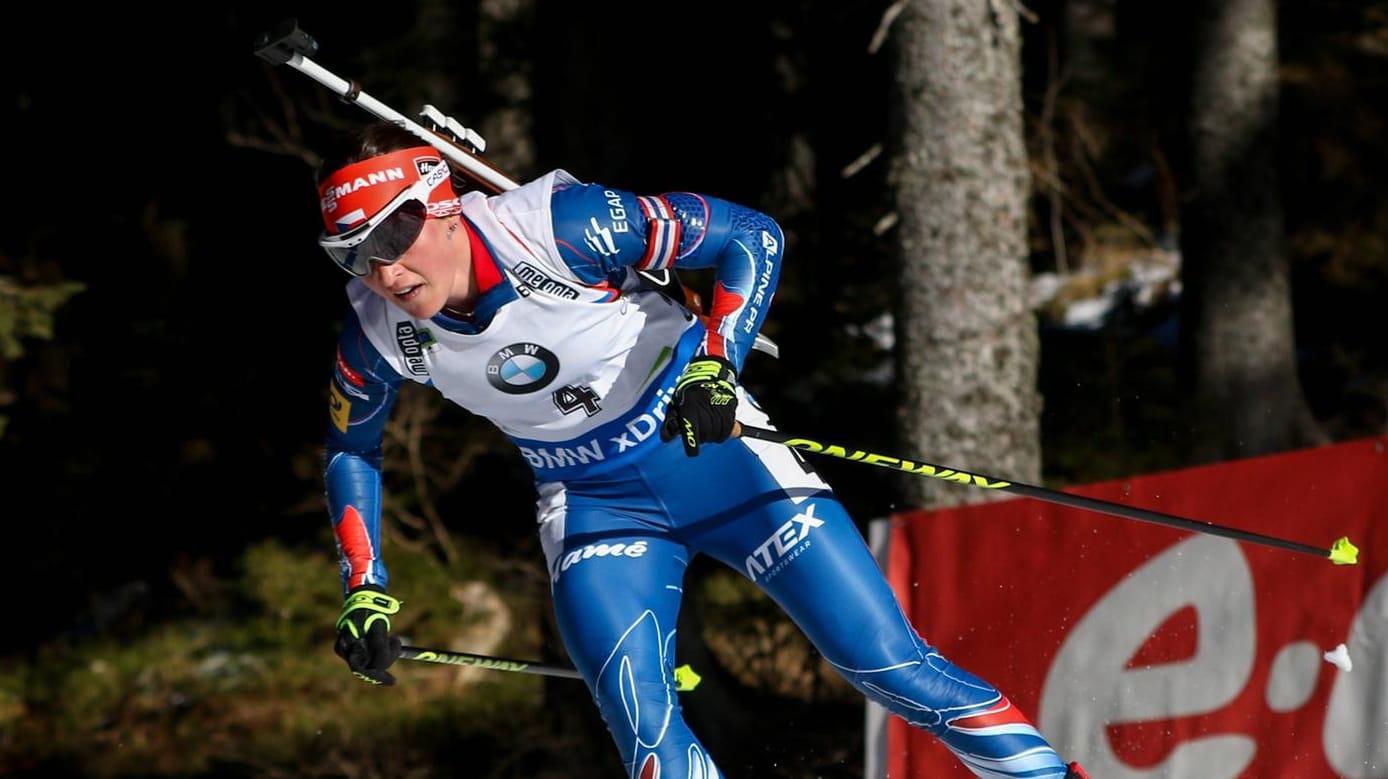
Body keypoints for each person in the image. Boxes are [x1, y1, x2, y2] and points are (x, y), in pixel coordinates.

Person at [316, 119, 1090, 779]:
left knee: (886, 663)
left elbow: (751, 235)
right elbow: (353, 446)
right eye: (352, 253)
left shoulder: (560, 225)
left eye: (392, 233)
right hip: (593, 507)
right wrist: (366, 583)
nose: (383, 269)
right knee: (647, 741)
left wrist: (719, 364)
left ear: (442, 204)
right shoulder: (379, 332)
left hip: (710, 452)